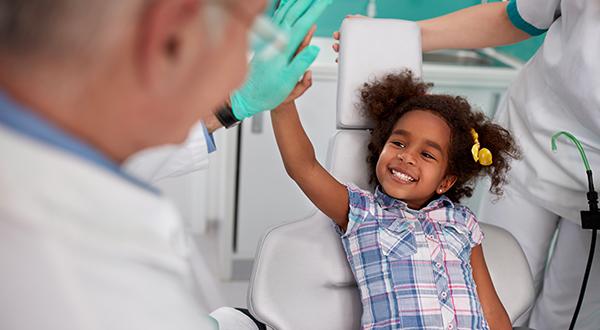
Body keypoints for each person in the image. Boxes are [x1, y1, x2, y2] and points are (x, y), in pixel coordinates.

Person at [0, 0, 330, 329]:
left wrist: (232, 106)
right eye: (253, 28)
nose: (245, 69)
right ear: (172, 39)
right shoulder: (85, 292)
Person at [334, 2, 600, 328]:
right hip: (531, 147)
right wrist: (394, 37)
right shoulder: (378, 213)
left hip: (595, 182)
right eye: (400, 143)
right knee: (507, 286)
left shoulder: (458, 224)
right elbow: (512, 18)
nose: (407, 156)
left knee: (568, 313)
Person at [269, 70, 520, 329]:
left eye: (427, 154)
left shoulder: (463, 222)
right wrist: (282, 104)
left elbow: (492, 309)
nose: (407, 156)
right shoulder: (362, 211)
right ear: (381, 147)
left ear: (446, 182)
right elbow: (303, 167)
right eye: (399, 143)